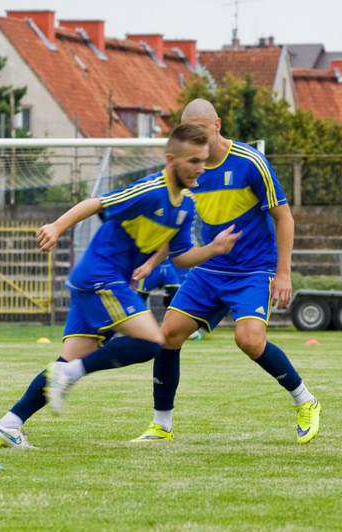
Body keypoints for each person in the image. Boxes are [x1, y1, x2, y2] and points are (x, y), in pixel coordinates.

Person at [0, 123, 241, 448]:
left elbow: (180, 257)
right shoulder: (150, 190)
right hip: (100, 277)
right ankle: (71, 375)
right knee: (153, 342)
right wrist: (57, 226)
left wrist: (214, 249)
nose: (200, 168)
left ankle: (9, 423)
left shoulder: (186, 206)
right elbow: (96, 203)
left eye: (203, 161)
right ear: (171, 159)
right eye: (193, 161)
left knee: (65, 362)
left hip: (100, 282)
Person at [128, 98, 320, 445]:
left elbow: (283, 216)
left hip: (252, 270)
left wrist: (284, 272)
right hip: (209, 268)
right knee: (168, 335)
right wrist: (150, 262)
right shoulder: (189, 170)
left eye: (202, 131)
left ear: (217, 125)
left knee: (248, 340)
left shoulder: (250, 162)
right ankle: (161, 425)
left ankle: (305, 400)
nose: (196, 141)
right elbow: (175, 225)